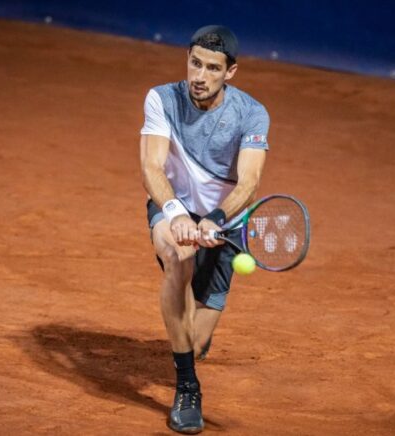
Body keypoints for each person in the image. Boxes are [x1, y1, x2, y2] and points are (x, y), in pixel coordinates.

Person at [139, 25, 270, 434]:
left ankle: (193, 338)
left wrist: (214, 219)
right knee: (178, 258)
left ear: (230, 73)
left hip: (224, 220)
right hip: (173, 209)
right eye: (195, 63)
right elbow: (151, 166)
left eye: (212, 68)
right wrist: (177, 213)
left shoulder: (252, 114)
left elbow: (248, 182)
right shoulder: (162, 98)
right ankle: (188, 387)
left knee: (195, 342)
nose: (200, 76)